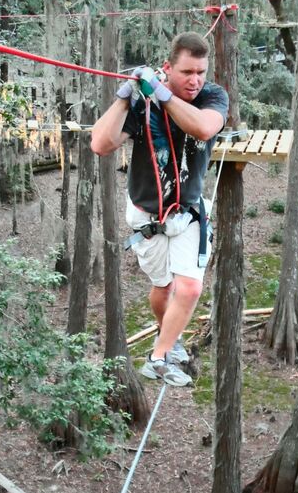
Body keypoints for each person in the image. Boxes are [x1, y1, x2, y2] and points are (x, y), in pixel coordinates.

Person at [91, 32, 228, 387]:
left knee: (190, 289)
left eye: (200, 71)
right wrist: (126, 97)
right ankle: (169, 334)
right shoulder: (145, 106)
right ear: (168, 68)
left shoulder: (213, 97)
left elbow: (201, 126)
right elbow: (100, 144)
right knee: (163, 287)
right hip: (148, 215)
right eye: (186, 72)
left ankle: (158, 357)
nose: (195, 80)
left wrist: (163, 94)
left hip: (189, 212)